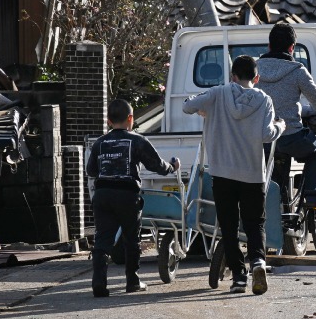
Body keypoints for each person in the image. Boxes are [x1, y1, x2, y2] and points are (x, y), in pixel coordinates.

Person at [183, 54, 284, 294]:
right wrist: (282, 126)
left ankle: (239, 277)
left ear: (232, 76)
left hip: (222, 172)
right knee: (254, 223)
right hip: (252, 173)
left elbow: (188, 106)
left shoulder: (217, 93)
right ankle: (258, 262)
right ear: (256, 78)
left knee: (227, 226)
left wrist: (202, 109)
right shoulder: (264, 100)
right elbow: (267, 135)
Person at [85, 99, 181, 298]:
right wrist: (173, 167)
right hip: (127, 195)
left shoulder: (100, 143)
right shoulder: (137, 140)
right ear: (131, 119)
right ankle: (132, 281)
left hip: (102, 195)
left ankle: (99, 282)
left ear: (108, 121)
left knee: (103, 240)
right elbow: (157, 166)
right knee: (131, 239)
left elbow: (91, 170)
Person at [258, 22, 316, 209]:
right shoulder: (297, 71)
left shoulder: (254, 69)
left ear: (269, 45)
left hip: (261, 140)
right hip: (290, 138)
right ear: (292, 48)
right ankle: (312, 194)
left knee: (272, 176)